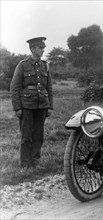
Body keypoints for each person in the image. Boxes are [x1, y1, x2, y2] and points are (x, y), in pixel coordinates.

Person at [10, 37, 53, 171]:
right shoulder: (22, 65)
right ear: (33, 49)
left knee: (38, 135)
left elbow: (49, 87)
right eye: (40, 48)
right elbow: (14, 87)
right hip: (27, 105)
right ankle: (25, 164)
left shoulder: (45, 65)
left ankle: (35, 161)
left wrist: (50, 106)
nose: (43, 50)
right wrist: (17, 107)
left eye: (43, 48)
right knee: (26, 135)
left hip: (42, 105)